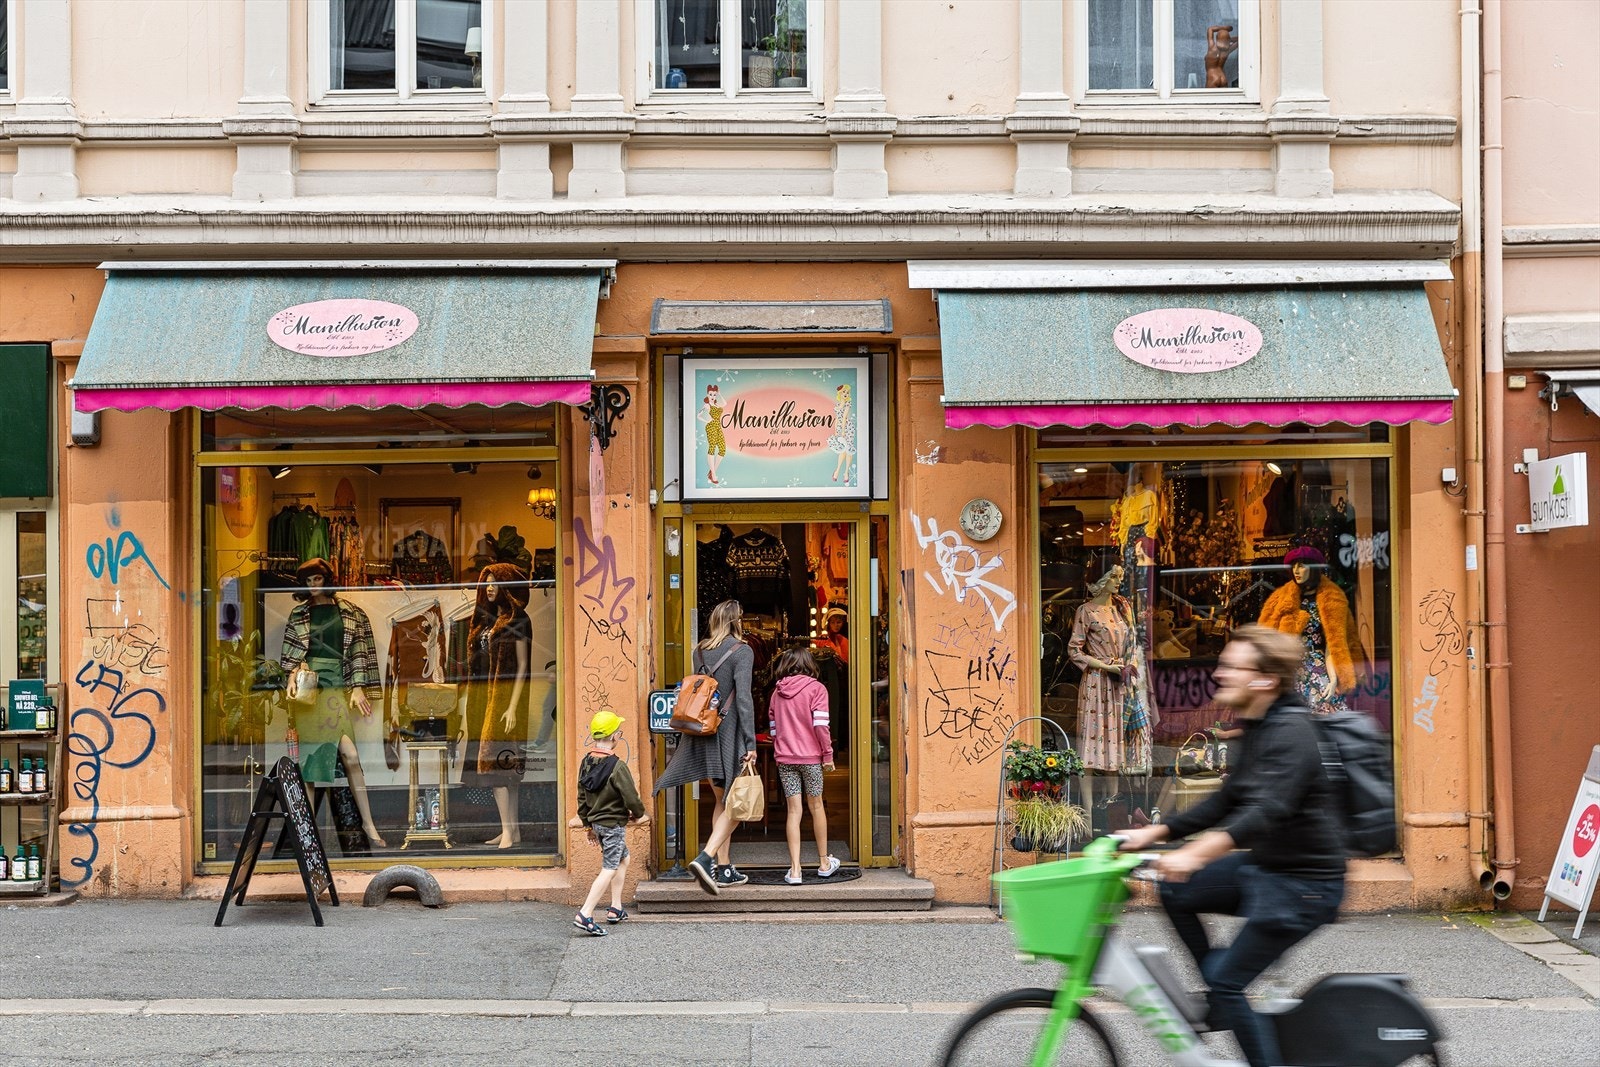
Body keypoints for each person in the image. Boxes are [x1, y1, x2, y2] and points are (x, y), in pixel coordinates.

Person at [1117, 625, 1346, 1067]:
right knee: (1177, 890)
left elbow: (1264, 812)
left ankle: (1228, 997)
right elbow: (1228, 801)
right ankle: (1225, 1000)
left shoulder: (1292, 733)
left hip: (1304, 887)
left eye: (1231, 667)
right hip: (1271, 871)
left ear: (1265, 680)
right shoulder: (1258, 727)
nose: (1219, 674)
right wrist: (1157, 834)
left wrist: (1196, 853)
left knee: (1227, 980)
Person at [280, 558, 386, 847]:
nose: (313, 585)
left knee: (350, 756)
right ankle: (306, 834)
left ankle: (368, 824)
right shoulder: (299, 614)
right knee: (309, 764)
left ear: (327, 579)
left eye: (317, 579)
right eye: (308, 581)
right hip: (310, 691)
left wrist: (358, 686)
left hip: (337, 686)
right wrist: (292, 675)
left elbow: (360, 652)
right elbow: (291, 655)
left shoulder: (351, 613)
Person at [653, 599, 756, 895]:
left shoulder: (699, 649)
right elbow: (744, 699)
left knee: (723, 802)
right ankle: (706, 856)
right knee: (739, 804)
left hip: (703, 731)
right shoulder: (742, 651)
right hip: (729, 733)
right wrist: (750, 742)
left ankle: (724, 869)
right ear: (738, 621)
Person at [460, 563, 531, 848]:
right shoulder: (486, 621)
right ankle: (511, 830)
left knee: (499, 767)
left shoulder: (519, 620)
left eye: (495, 582)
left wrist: (512, 707)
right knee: (503, 766)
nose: (489, 587)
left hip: (503, 700)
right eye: (486, 582)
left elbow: (524, 666)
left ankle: (509, 832)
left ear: (507, 587)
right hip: (484, 699)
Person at [1258, 545, 1362, 715]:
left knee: (1326, 715)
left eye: (1302, 565)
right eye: (1294, 565)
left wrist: (1334, 679)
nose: (1296, 570)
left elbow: (1333, 643)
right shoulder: (1282, 598)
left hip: (1317, 666)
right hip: (1290, 667)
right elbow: (1267, 637)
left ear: (1313, 569)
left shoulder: (1332, 597)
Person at [767, 649, 840, 884]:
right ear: (810, 665)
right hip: (811, 758)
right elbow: (821, 726)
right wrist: (827, 754)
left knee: (793, 811)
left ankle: (795, 870)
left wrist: (782, 747)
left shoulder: (776, 693)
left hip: (785, 759)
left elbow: (774, 729)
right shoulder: (817, 689)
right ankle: (824, 863)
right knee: (816, 806)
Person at [573, 709, 646, 936]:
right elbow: (631, 797)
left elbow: (581, 797)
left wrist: (587, 825)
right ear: (615, 736)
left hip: (597, 824)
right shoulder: (617, 766)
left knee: (624, 858)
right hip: (613, 825)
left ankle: (616, 908)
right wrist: (639, 813)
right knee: (609, 868)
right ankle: (585, 914)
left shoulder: (586, 762)